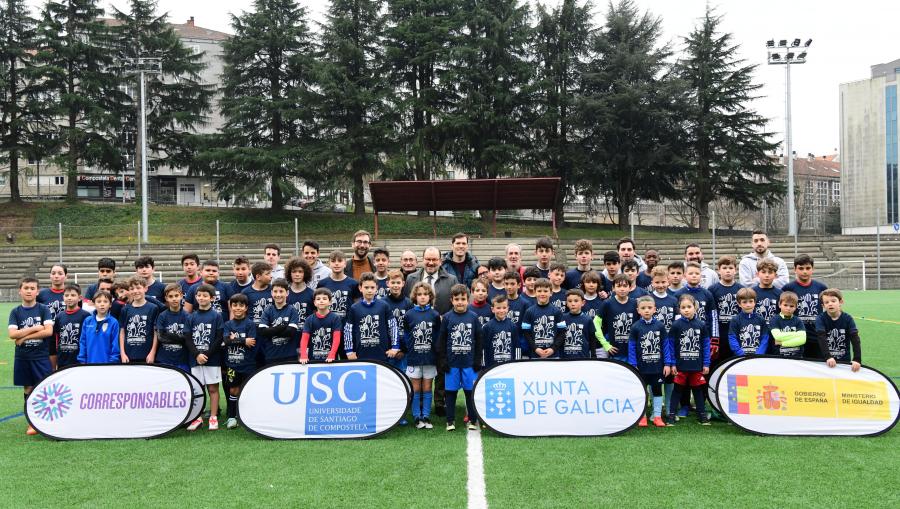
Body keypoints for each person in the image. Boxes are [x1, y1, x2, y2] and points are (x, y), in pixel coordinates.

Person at [9, 277, 54, 435]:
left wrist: (24, 337)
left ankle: (47, 420)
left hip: (41, 356)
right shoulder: (15, 311)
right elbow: (12, 334)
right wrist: (35, 328)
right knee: (28, 388)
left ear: (37, 291)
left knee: (44, 387)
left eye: (32, 288)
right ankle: (32, 422)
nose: (29, 291)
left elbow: (48, 331)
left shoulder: (43, 309)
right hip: (23, 357)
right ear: (20, 291)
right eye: (26, 288)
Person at [436, 284, 483, 431]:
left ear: (468, 300)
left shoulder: (474, 317)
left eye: (463, 299)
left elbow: (479, 340)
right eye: (457, 299)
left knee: (470, 392)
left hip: (469, 363)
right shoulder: (448, 318)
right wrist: (443, 360)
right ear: (451, 300)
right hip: (452, 363)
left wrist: (477, 360)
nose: (460, 302)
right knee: (451, 392)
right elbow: (442, 341)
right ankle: (450, 421)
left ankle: (472, 420)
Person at [664, 294, 711, 426]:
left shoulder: (701, 325)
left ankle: (702, 416)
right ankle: (671, 416)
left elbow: (706, 345)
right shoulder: (676, 325)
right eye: (683, 307)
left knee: (698, 391)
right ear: (679, 309)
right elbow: (671, 346)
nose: (686, 310)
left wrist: (706, 363)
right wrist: (672, 363)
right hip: (680, 366)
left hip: (697, 365)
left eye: (689, 307)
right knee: (677, 390)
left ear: (695, 307)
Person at [186, 283, 225, 431]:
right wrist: (197, 354)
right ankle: (198, 417)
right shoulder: (191, 317)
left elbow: (219, 338)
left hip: (211, 359)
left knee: (213, 389)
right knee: (198, 389)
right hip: (195, 359)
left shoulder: (216, 316)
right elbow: (188, 337)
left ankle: (213, 417)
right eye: (199, 295)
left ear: (212, 298)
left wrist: (206, 355)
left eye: (205, 295)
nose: (202, 298)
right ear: (195, 297)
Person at [403, 282, 441, 429]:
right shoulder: (409, 315)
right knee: (416, 388)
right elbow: (406, 335)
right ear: (415, 297)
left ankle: (426, 416)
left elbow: (437, 336)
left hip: (430, 358)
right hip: (414, 358)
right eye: (419, 294)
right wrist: (410, 348)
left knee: (427, 388)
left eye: (425, 294)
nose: (422, 297)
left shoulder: (434, 315)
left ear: (430, 296)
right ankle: (417, 417)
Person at [628, 296, 668, 427]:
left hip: (657, 366)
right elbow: (632, 347)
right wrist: (633, 364)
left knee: (657, 390)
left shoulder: (660, 326)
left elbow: (665, 345)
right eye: (643, 308)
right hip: (641, 367)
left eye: (649, 308)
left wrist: (667, 363)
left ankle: (657, 416)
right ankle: (642, 416)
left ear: (654, 309)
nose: (646, 311)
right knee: (642, 391)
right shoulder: (635, 327)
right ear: (638, 310)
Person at [344, 273, 400, 362]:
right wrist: (349, 351)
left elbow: (393, 327)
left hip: (382, 355)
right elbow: (348, 330)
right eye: (366, 287)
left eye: (372, 287)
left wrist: (395, 347)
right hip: (360, 355)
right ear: (360, 288)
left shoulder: (384, 305)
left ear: (376, 288)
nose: (369, 290)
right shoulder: (354, 308)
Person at [782, 254, 828, 359]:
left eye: (808, 268)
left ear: (813, 269)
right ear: (795, 269)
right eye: (801, 268)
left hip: (816, 335)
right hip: (795, 335)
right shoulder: (788, 288)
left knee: (817, 365)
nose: (804, 271)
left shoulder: (821, 287)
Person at [223, 293, 257, 429]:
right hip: (232, 365)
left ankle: (248, 417)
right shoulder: (228, 324)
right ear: (231, 307)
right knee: (233, 391)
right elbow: (226, 341)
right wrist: (243, 340)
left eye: (241, 305)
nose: (238, 308)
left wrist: (234, 340)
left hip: (247, 364)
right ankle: (232, 417)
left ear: (246, 308)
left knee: (248, 390)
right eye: (235, 305)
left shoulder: (250, 324)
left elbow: (252, 342)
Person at [708, 255, 743, 365]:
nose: (728, 271)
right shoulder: (712, 289)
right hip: (719, 334)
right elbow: (711, 314)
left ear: (735, 270)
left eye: (730, 268)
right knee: (717, 363)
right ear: (719, 270)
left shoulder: (741, 289)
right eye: (724, 268)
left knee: (735, 363)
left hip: (736, 333)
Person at [257, 278, 301, 365]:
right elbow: (262, 332)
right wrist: (283, 326)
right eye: (275, 291)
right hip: (271, 356)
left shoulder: (292, 310)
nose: (278, 294)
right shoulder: (268, 310)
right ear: (271, 293)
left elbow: (290, 332)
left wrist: (271, 330)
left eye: (281, 291)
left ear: (287, 293)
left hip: (290, 355)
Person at [815, 288, 861, 371]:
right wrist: (828, 357)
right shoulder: (820, 319)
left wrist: (857, 359)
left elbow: (855, 339)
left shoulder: (848, 319)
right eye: (826, 302)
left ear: (841, 302)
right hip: (825, 361)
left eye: (833, 301)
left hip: (844, 361)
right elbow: (821, 338)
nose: (830, 304)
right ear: (823, 306)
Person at [403, 247, 459, 314]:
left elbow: (457, 304)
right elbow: (406, 304)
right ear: (423, 260)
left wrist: (445, 318)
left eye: (434, 259)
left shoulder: (452, 280)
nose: (431, 263)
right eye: (428, 259)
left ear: (440, 261)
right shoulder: (411, 278)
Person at [119, 276, 160, 364]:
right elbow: (122, 331)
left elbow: (156, 332)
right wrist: (122, 353)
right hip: (128, 356)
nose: (135, 291)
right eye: (132, 289)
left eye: (138, 288)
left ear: (145, 288)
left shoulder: (153, 308)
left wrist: (152, 353)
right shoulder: (125, 309)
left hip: (147, 356)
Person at [521, 278, 566, 359]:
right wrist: (536, 348)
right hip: (535, 355)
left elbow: (562, 333)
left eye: (545, 291)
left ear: (551, 293)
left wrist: (553, 349)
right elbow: (526, 333)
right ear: (534, 292)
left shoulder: (557, 311)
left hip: (553, 355)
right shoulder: (529, 311)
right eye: (539, 291)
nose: (542, 293)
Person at [153, 283, 192, 374]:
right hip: (164, 359)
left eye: (176, 296)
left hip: (182, 359)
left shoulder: (187, 316)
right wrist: (180, 336)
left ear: (181, 296)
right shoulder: (162, 316)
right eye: (170, 296)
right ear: (166, 298)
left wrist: (168, 334)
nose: (174, 299)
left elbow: (188, 338)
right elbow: (161, 337)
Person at [596, 275, 636, 361]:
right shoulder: (607, 304)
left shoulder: (635, 303)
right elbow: (596, 324)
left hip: (631, 352)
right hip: (613, 351)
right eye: (618, 286)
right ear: (613, 288)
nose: (622, 289)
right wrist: (605, 344)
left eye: (625, 286)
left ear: (630, 288)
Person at [299, 288, 343, 363]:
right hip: (313, 361)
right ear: (314, 303)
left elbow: (336, 339)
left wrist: (332, 355)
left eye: (324, 298)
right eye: (318, 299)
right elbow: (304, 339)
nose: (321, 301)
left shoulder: (335, 318)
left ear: (330, 302)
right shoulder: (309, 319)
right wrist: (303, 355)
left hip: (330, 360)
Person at [77, 290, 120, 365]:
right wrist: (82, 359)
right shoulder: (87, 321)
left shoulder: (114, 322)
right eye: (99, 301)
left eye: (105, 301)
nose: (102, 304)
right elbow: (83, 342)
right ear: (94, 304)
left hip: (107, 364)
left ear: (110, 304)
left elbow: (115, 343)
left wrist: (113, 361)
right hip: (89, 363)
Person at [54, 284, 90, 369]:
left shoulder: (86, 316)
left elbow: (88, 339)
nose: (69, 298)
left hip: (79, 360)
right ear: (63, 297)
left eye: (73, 295)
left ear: (80, 297)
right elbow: (57, 338)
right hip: (62, 360)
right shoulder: (59, 316)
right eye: (66, 295)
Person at [727, 288, 770, 357]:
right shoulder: (735, 320)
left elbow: (765, 338)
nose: (748, 305)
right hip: (740, 357)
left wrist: (759, 354)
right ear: (739, 304)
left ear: (755, 302)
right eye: (744, 302)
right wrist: (740, 354)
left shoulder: (761, 319)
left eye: (751, 301)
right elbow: (732, 338)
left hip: (757, 357)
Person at [318, 251, 360, 319]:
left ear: (345, 264)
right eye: (333, 261)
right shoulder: (322, 284)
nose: (336, 264)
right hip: (328, 324)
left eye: (340, 261)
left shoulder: (354, 283)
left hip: (347, 325)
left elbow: (357, 306)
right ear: (329, 263)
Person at [482, 294, 519, 367]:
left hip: (509, 366)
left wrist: (517, 364)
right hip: (492, 366)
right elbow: (484, 348)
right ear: (493, 309)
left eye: (504, 308)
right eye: (498, 308)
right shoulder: (487, 327)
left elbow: (517, 346)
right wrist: (484, 366)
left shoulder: (513, 326)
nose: (501, 310)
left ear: (508, 308)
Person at [676, 262, 715, 327]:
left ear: (701, 276)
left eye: (697, 273)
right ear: (685, 276)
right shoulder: (678, 294)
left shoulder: (707, 294)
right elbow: (676, 317)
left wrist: (714, 336)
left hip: (704, 333)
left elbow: (713, 316)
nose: (694, 276)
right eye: (691, 273)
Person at [769, 291, 807, 358]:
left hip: (797, 357)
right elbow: (778, 336)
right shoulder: (774, 319)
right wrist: (797, 334)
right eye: (785, 305)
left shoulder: (798, 320)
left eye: (791, 306)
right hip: (779, 357)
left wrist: (782, 343)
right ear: (779, 305)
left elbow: (802, 339)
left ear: (796, 307)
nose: (788, 308)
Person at [560, 289, 597, 359]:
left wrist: (593, 356)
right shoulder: (562, 318)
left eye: (576, 301)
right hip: (565, 359)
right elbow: (559, 337)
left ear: (583, 303)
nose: (573, 304)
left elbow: (592, 340)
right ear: (566, 303)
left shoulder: (588, 319)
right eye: (570, 301)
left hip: (583, 358)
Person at [285, 257, 314, 329]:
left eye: (300, 271)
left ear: (306, 273)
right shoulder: (284, 294)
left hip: (306, 335)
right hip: (289, 336)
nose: (297, 274)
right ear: (289, 273)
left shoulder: (312, 294)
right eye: (294, 271)